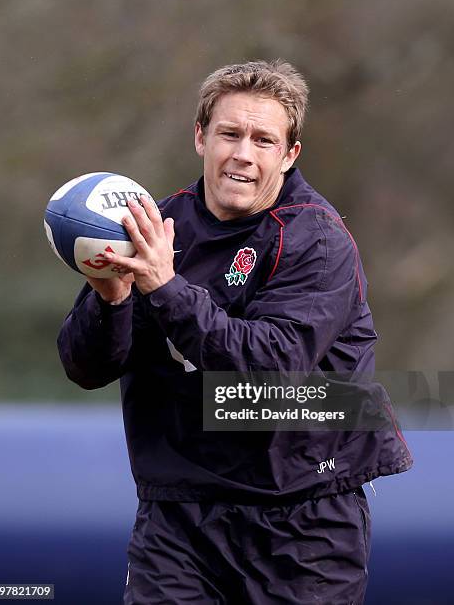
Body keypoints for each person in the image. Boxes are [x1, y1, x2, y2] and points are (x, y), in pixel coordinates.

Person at [58, 60, 413, 604]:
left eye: (263, 140)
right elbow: (86, 368)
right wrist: (111, 301)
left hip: (300, 516)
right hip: (178, 516)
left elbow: (270, 372)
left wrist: (165, 287)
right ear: (201, 137)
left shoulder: (316, 240)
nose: (243, 154)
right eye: (229, 133)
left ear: (290, 154)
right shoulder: (157, 225)